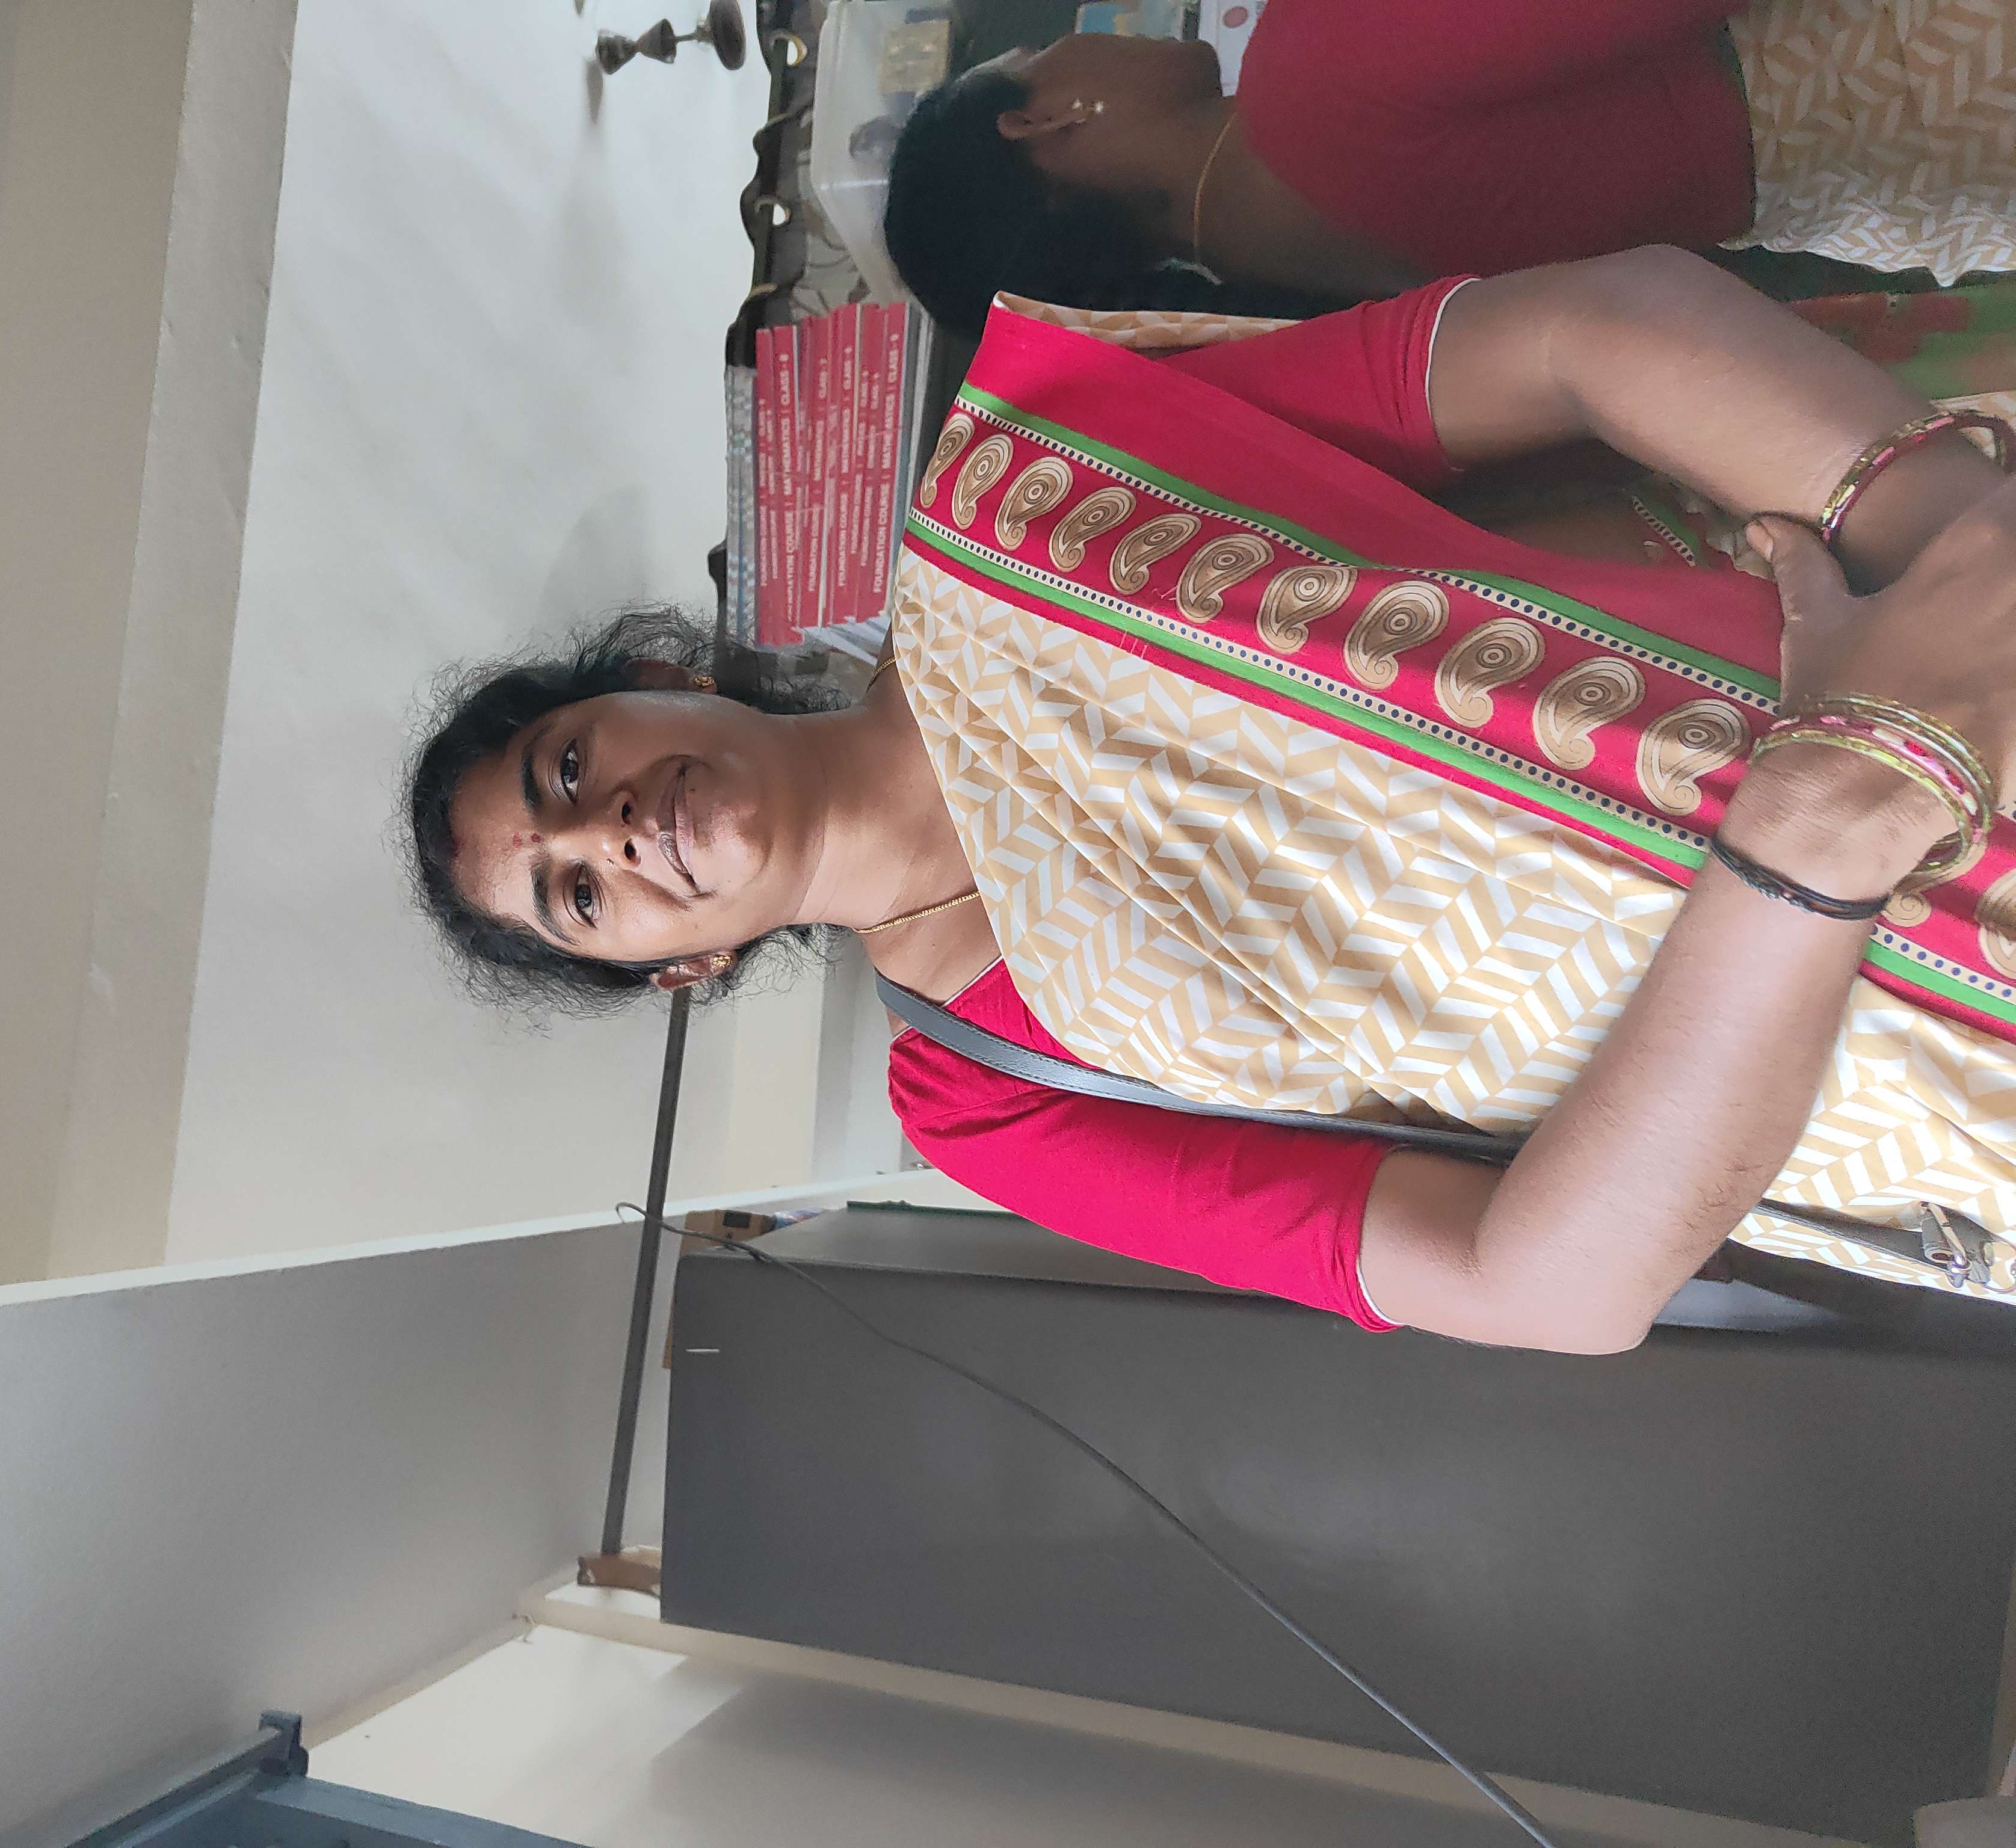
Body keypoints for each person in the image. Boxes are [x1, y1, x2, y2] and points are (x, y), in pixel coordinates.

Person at [407, 247, 2016, 1353]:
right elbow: (1536, 1284)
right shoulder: (987, 1098)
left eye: (567, 766)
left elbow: (1585, 330)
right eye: (575, 893)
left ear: (658, 676)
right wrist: (1807, 855)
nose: (607, 828)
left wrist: (1958, 540)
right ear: (676, 969)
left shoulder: (1024, 484)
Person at [884, 1, 2016, 336]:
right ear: (1042, 121)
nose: (1079, 38)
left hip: (1910, 193)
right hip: (1922, 43)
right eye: (1039, 54)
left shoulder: (1317, 291)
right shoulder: (1312, 78)